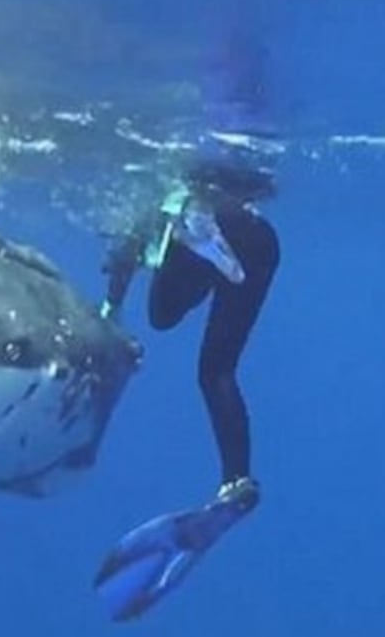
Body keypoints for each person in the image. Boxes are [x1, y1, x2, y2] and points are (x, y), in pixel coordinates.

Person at [99, 158, 280, 509]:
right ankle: (237, 480)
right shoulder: (159, 206)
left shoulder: (144, 212)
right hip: (261, 238)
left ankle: (195, 231)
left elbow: (122, 265)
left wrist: (110, 310)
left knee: (161, 317)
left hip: (206, 218)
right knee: (218, 371)